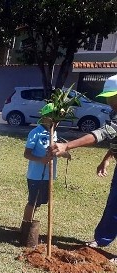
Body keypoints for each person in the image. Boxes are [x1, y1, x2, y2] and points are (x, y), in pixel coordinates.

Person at [52, 74, 117, 261]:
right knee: (113, 206)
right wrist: (107, 158)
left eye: (113, 96)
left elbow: (100, 134)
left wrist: (67, 145)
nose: (110, 101)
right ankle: (102, 240)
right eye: (109, 97)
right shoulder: (114, 113)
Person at [21, 103, 71, 233]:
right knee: (33, 201)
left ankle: (30, 225)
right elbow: (27, 153)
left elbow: (54, 151)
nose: (55, 121)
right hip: (36, 175)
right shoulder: (35, 132)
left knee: (41, 201)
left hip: (49, 175)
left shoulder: (53, 133)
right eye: (52, 117)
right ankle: (26, 228)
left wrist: (63, 153)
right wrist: (41, 160)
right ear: (44, 117)